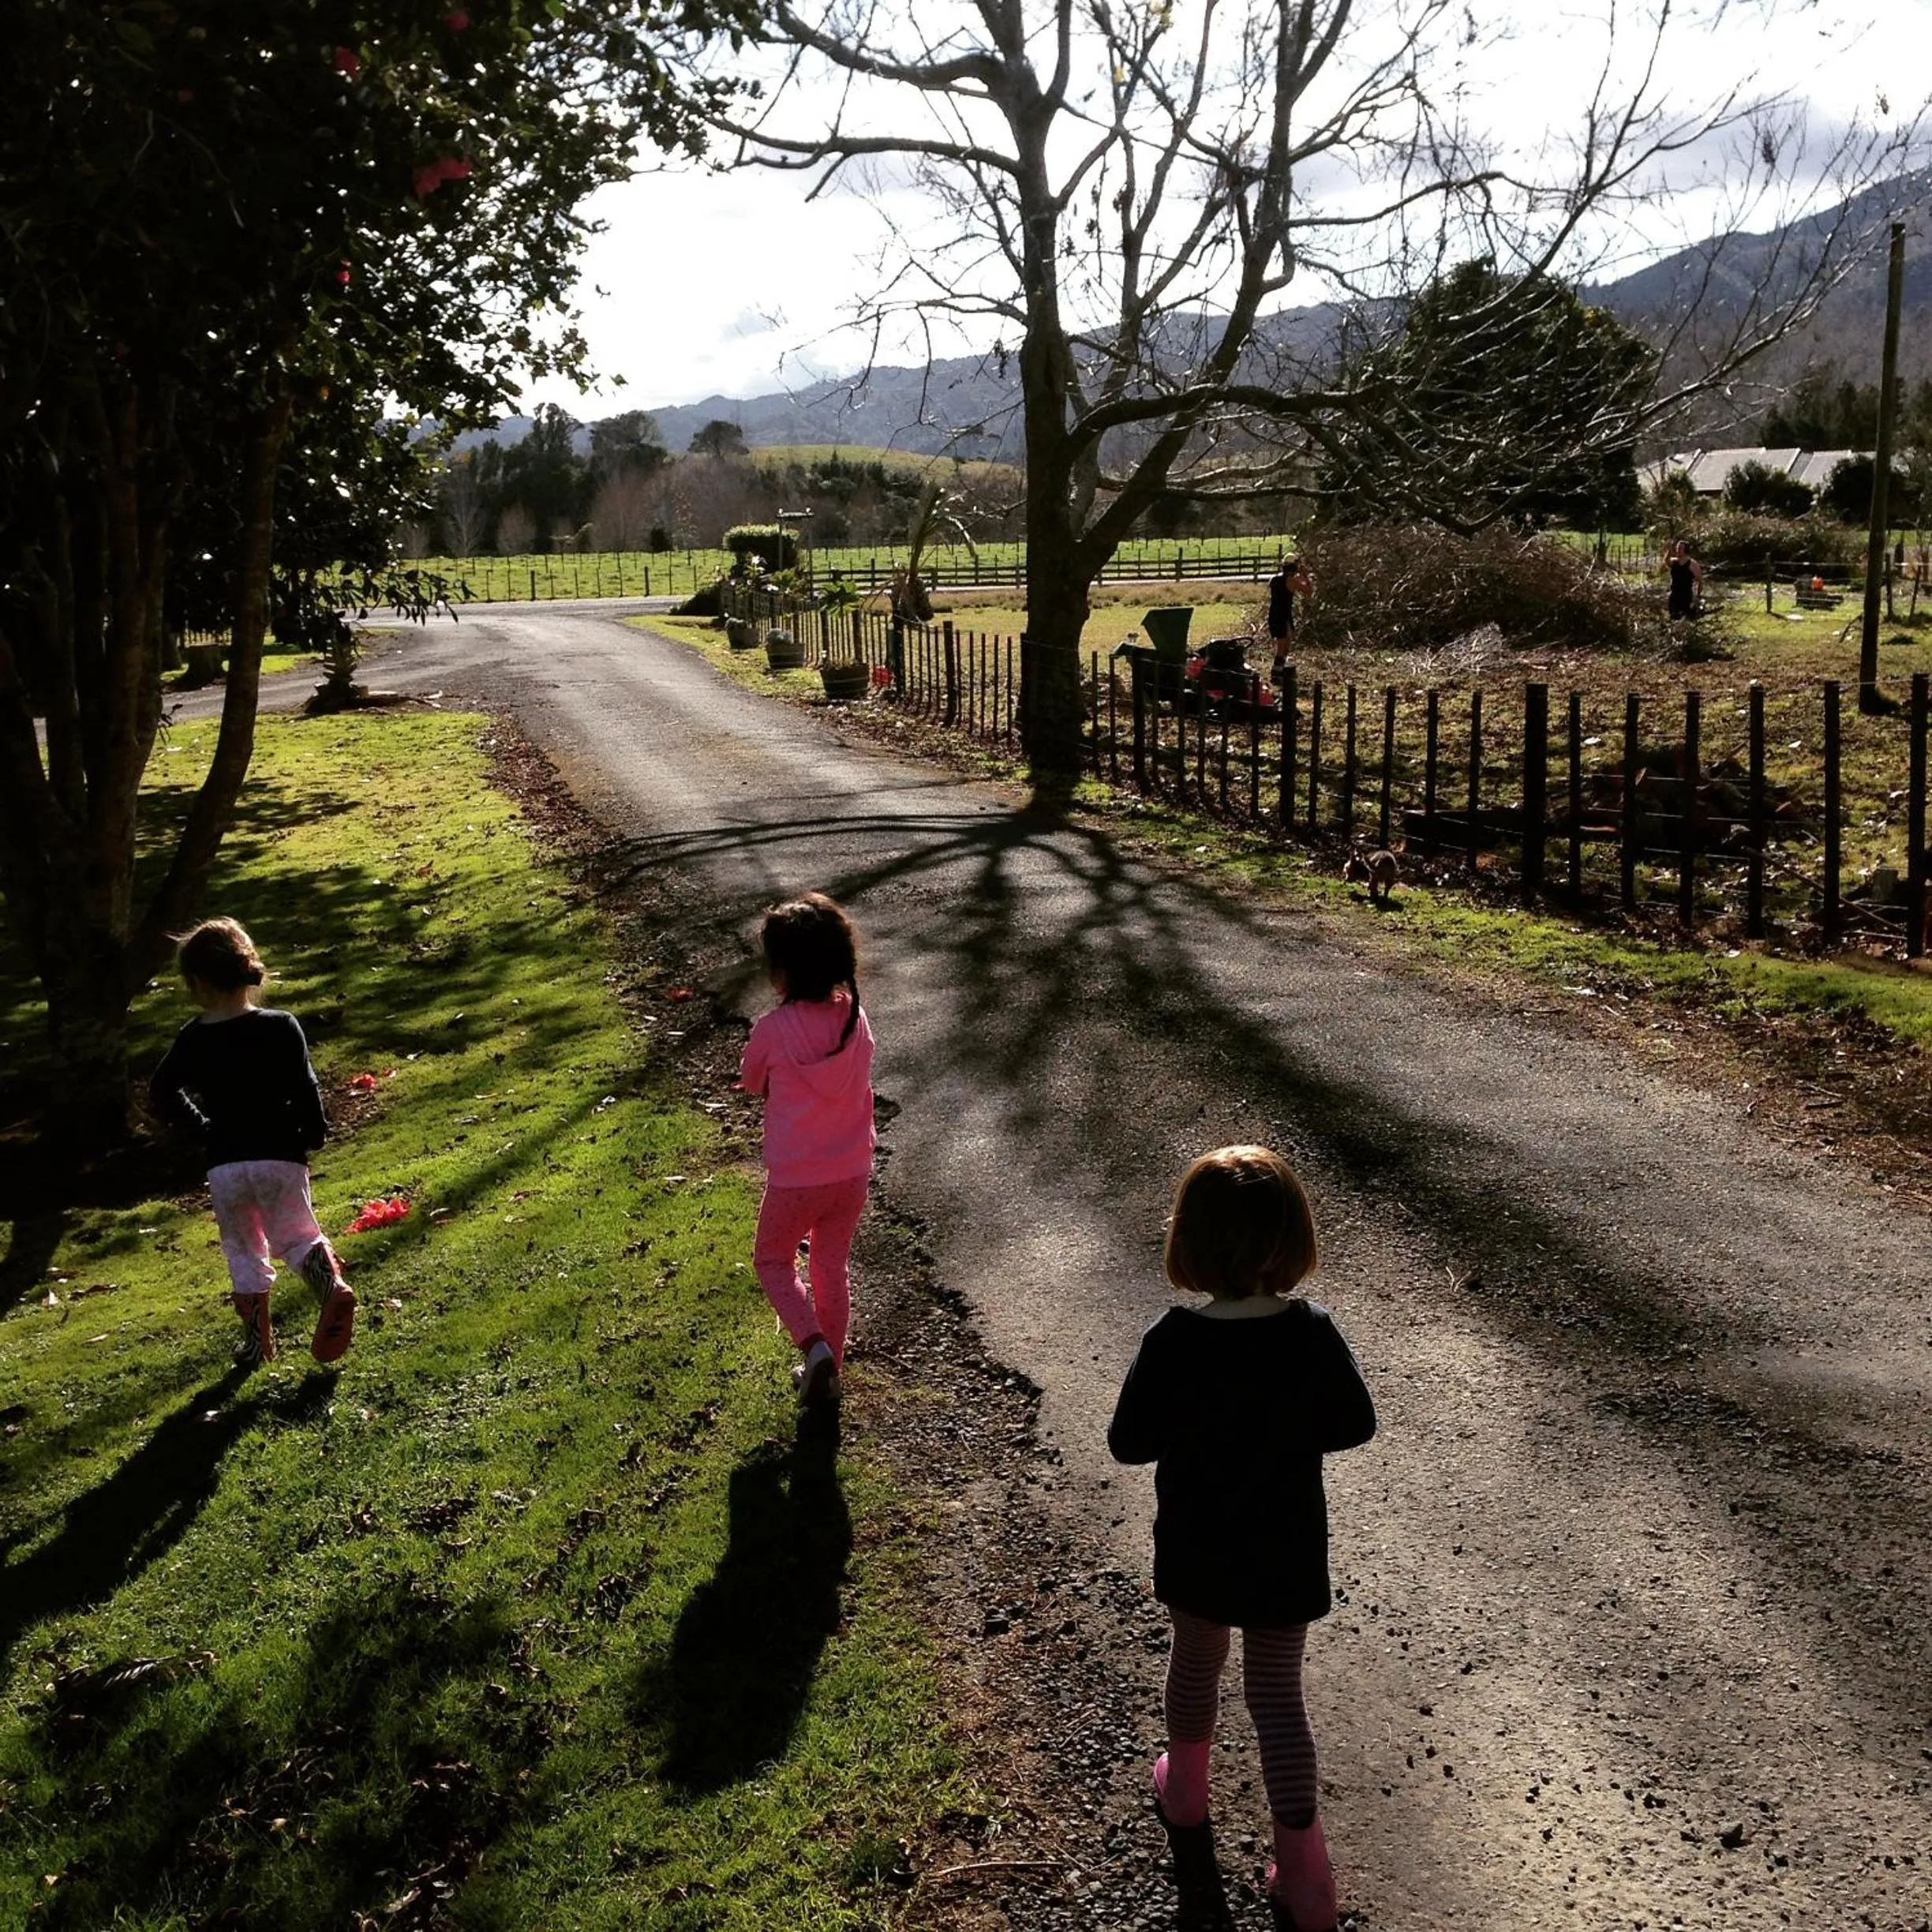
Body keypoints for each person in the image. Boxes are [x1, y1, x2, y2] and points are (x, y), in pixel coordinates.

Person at [1109, 1145, 1376, 1932]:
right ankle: (1306, 1875)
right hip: (1285, 1544)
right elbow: (1354, 1424)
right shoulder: (1311, 1334)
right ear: (1292, 1242)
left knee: (1196, 1658)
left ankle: (1186, 1792)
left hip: (1197, 1543)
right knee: (1277, 1693)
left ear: (1186, 1244)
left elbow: (1128, 1442)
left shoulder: (1174, 1341)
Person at [148, 918, 356, 1369]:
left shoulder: (193, 1037)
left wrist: (202, 1128)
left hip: (225, 1166)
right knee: (297, 1236)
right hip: (278, 1156)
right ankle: (331, 1290)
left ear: (198, 983)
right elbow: (305, 1088)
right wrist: (312, 1132)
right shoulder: (281, 1027)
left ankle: (257, 1342)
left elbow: (161, 1091)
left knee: (243, 1250)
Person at [739, 892, 876, 1406]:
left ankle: (814, 1348)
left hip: (797, 1179)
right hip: (851, 1173)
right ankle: (831, 1371)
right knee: (829, 1267)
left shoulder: (773, 1031)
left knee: (773, 1261)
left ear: (784, 973)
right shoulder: (854, 1021)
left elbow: (753, 1081)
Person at [1267, 554, 1313, 673]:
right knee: (1282, 645)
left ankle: (1281, 668)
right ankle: (1277, 673)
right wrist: (1306, 576)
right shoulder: (1292, 581)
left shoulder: (1274, 579)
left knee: (1284, 641)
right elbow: (1309, 591)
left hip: (1273, 614)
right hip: (1283, 616)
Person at [1666, 537, 1703, 620]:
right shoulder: (1675, 561)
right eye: (1677, 548)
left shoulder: (1692, 564)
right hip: (1674, 595)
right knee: (1674, 617)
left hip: (1686, 596)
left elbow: (1700, 581)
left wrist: (1698, 596)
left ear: (1686, 550)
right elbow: (1667, 561)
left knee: (1685, 618)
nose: (1678, 550)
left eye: (1680, 548)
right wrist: (1669, 550)